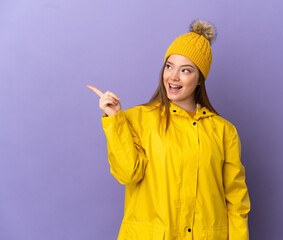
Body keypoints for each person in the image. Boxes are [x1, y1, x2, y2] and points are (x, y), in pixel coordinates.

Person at [87, 20, 250, 240]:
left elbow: (236, 200)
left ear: (199, 79)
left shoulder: (223, 131)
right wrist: (115, 119)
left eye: (185, 70)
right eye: (169, 66)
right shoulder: (137, 119)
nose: (173, 77)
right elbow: (127, 173)